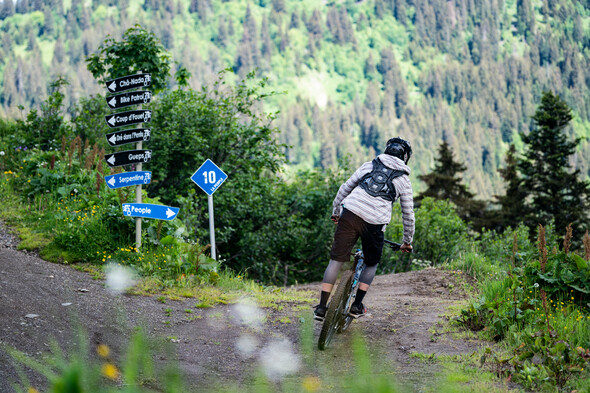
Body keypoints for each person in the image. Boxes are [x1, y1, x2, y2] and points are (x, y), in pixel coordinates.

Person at [314, 137, 415, 321]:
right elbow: (408, 214)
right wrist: (407, 242)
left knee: (336, 260)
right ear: (405, 157)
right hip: (374, 223)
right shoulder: (404, 180)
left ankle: (321, 307)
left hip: (350, 213)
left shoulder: (369, 165)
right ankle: (356, 306)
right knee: (371, 262)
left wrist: (336, 212)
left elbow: (345, 188)